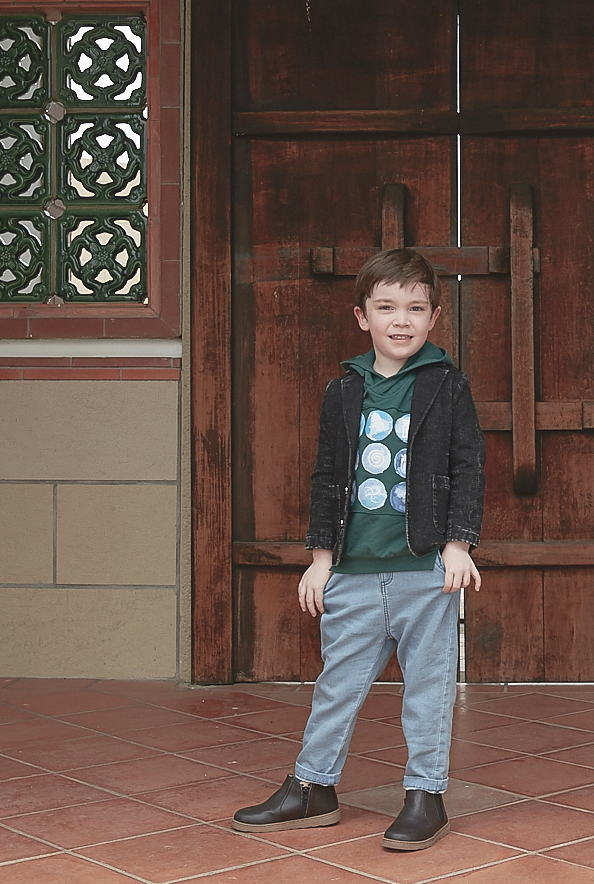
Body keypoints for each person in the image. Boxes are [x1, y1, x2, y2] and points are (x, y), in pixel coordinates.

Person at [232, 248, 485, 850]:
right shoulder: (343, 389)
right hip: (351, 570)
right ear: (361, 316)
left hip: (424, 570)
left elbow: (467, 465)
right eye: (387, 307)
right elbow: (326, 476)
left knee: (427, 687)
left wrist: (457, 544)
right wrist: (321, 557)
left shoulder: (446, 384)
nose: (402, 320)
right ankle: (313, 787)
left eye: (416, 308)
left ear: (435, 317)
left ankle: (426, 795)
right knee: (337, 684)